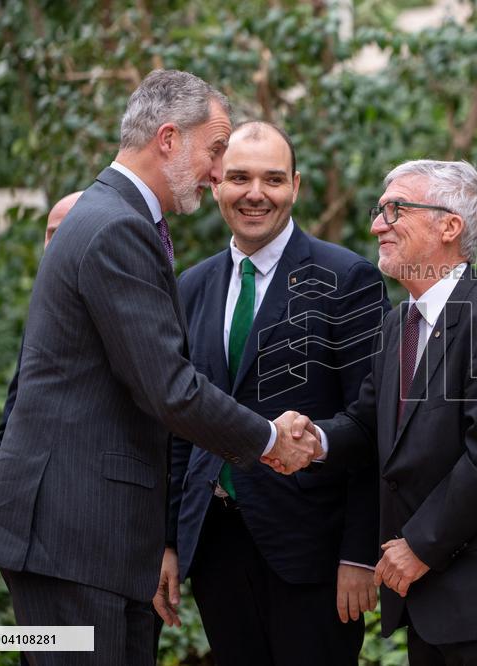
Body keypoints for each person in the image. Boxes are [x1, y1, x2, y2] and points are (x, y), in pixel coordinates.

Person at [0, 70, 319, 665]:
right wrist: (269, 439)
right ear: (168, 138)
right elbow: (168, 389)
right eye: (216, 151)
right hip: (76, 538)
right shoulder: (115, 227)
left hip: (97, 540)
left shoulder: (114, 219)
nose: (218, 172)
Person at [300, 160, 477, 664]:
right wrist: (314, 441)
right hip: (428, 603)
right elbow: (366, 423)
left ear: (449, 226)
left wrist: (419, 544)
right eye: (379, 211)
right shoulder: (398, 323)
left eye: (396, 209)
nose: (378, 224)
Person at [156, 121, 387, 665]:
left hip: (313, 550)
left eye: (273, 180)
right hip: (214, 542)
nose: (255, 194)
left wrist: (360, 553)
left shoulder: (347, 278)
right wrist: (168, 539)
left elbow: (372, 421)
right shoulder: (191, 285)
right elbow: (178, 423)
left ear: (296, 186)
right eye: (238, 177)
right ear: (216, 184)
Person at [0, 190, 83, 525]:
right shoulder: (42, 311)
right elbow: (15, 411)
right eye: (51, 234)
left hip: (91, 511)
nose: (56, 245)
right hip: (24, 517)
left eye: (67, 232)